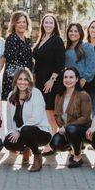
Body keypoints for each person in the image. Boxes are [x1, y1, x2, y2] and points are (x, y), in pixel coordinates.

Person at [3, 68, 51, 172]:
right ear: (15, 81)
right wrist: (12, 132)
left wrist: (19, 131)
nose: (22, 82)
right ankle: (25, 148)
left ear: (30, 81)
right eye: (20, 79)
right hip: (22, 132)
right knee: (8, 142)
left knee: (26, 130)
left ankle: (37, 156)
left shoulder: (36, 93)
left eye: (25, 79)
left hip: (41, 132)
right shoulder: (11, 95)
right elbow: (9, 119)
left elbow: (36, 118)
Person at [32, 13, 65, 154]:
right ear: (42, 24)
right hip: (39, 80)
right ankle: (48, 140)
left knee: (50, 111)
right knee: (44, 111)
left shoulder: (57, 40)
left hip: (50, 81)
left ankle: (52, 144)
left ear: (55, 25)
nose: (48, 25)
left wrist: (52, 80)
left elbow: (60, 63)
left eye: (51, 23)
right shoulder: (41, 39)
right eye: (46, 22)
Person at [49, 67, 91, 168]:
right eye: (65, 77)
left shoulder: (83, 95)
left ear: (77, 79)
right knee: (55, 144)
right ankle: (75, 147)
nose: (68, 80)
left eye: (71, 77)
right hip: (67, 130)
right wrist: (62, 127)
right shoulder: (59, 95)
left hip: (82, 129)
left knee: (71, 129)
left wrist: (66, 126)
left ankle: (77, 157)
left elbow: (85, 118)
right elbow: (56, 115)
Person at [2, 11, 33, 101]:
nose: (21, 24)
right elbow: (13, 63)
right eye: (18, 22)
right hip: (14, 79)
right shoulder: (11, 39)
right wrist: (22, 80)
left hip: (25, 79)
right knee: (14, 108)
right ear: (14, 24)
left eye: (24, 22)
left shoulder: (27, 40)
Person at [65, 23, 95, 89]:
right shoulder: (66, 48)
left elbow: (91, 65)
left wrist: (84, 79)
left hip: (81, 83)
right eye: (71, 31)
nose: (73, 33)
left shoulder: (87, 46)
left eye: (76, 31)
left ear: (80, 33)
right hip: (68, 82)